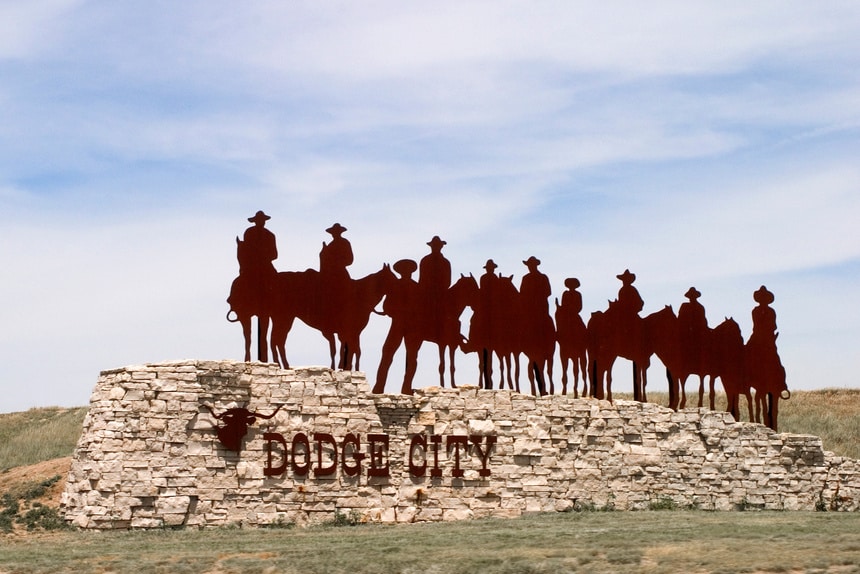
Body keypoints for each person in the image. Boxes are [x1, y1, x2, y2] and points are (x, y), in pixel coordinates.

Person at [373, 259, 421, 394]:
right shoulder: (413, 287)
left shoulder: (401, 287)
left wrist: (393, 311)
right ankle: (382, 386)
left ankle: (381, 386)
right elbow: (387, 305)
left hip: (405, 325)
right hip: (403, 325)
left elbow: (387, 306)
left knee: (396, 355)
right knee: (396, 355)